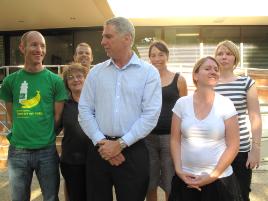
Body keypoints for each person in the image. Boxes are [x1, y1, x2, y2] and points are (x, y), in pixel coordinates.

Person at [78, 16, 162, 201]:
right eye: (103, 37)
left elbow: (150, 115)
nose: (102, 42)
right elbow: (84, 110)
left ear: (127, 38)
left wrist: (120, 144)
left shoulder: (149, 73)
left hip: (133, 151)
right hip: (99, 150)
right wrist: (103, 143)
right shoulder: (96, 72)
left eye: (108, 36)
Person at [0, 31, 67, 201]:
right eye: (34, 44)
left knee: (51, 197)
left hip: (47, 150)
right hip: (18, 151)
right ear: (22, 48)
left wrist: (44, 135)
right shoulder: (10, 81)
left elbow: (58, 116)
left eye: (42, 45)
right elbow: (11, 112)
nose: (39, 49)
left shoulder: (56, 81)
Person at [169, 56, 242, 201]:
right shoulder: (182, 104)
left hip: (219, 180)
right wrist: (179, 170)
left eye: (216, 69)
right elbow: (175, 140)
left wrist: (212, 176)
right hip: (186, 178)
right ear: (195, 75)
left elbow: (234, 145)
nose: (213, 71)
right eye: (207, 68)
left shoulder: (226, 104)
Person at [214, 40, 262, 201]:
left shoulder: (246, 83)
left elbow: (254, 116)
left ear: (235, 58)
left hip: (241, 149)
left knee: (241, 194)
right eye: (220, 53)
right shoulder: (209, 83)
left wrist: (255, 149)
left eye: (228, 53)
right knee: (217, 194)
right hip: (215, 149)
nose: (224, 57)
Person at [145, 40, 187, 201]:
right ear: (149, 58)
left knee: (170, 182)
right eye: (153, 55)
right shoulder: (146, 80)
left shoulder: (179, 79)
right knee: (150, 182)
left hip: (171, 138)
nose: (157, 59)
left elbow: (185, 110)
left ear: (167, 56)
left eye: (161, 55)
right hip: (148, 138)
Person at [58, 63, 91, 201]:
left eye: (79, 76)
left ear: (86, 79)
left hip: (94, 161)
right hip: (71, 162)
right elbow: (54, 127)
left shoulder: (94, 102)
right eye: (70, 77)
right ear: (66, 83)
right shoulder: (63, 104)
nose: (75, 80)